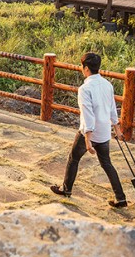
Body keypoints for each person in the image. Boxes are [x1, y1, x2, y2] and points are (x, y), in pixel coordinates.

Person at [50, 52, 128, 208]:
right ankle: (121, 198)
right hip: (104, 132)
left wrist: (87, 139)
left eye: (82, 66)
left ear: (85, 68)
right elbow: (112, 109)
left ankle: (66, 189)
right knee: (107, 164)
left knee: (74, 158)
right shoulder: (108, 84)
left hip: (90, 133)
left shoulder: (85, 89)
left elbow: (87, 115)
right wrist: (117, 130)